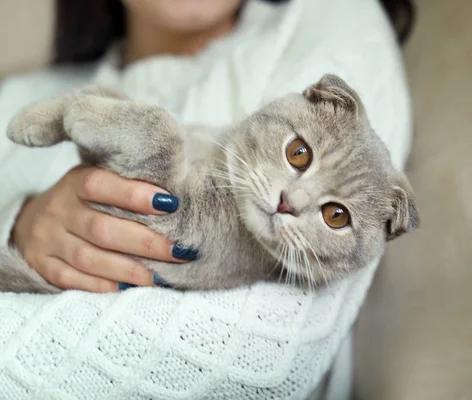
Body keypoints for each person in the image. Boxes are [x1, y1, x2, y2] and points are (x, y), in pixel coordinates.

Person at [0, 0, 413, 397]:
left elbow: (261, 359)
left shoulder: (328, 18)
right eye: (299, 155)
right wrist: (15, 225)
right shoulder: (12, 96)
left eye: (335, 214)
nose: (291, 202)